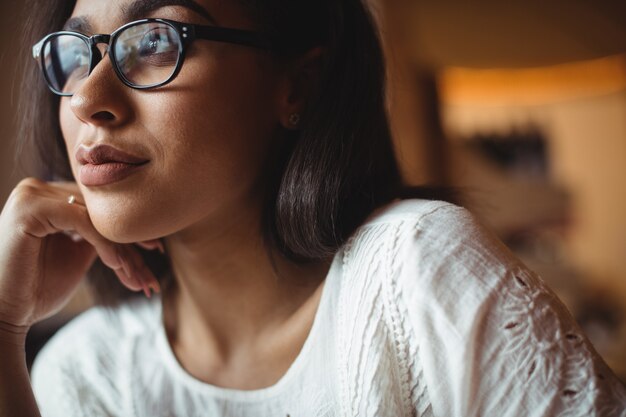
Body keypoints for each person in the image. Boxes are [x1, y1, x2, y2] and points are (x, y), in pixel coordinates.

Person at [0, 0, 625, 415]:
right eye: (75, 54)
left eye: (157, 41)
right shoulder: (85, 372)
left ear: (296, 83)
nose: (88, 99)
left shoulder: (413, 274)